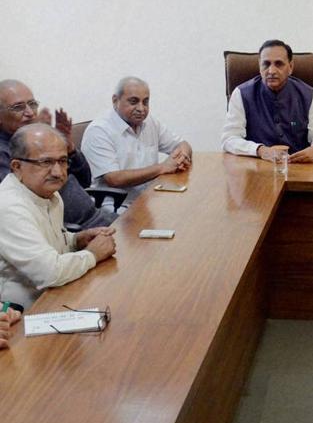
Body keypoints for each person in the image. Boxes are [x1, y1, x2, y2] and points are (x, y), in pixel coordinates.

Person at [0, 124, 116, 310]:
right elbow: (49, 272)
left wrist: (76, 240)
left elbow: (47, 242)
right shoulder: (9, 207)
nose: (58, 172)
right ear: (17, 167)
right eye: (45, 162)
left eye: (62, 161)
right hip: (21, 313)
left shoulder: (48, 193)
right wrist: (93, 254)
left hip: (58, 294)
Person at [0, 80, 116, 229]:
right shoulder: (4, 152)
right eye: (18, 107)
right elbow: (22, 200)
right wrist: (37, 141)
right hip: (77, 230)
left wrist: (69, 148)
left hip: (96, 215)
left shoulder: (46, 140)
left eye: (33, 104)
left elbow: (85, 180)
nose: (29, 113)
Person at [81, 76, 192, 213]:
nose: (141, 108)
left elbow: (182, 144)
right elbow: (114, 179)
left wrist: (181, 157)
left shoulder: (150, 122)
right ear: (115, 101)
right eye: (134, 101)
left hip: (150, 198)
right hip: (117, 206)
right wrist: (162, 167)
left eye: (145, 102)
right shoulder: (99, 131)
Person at [221, 39, 313, 163]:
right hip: (256, 169)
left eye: (279, 64)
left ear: (290, 67)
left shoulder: (310, 95)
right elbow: (229, 138)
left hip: (298, 168)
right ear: (259, 66)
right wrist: (260, 150)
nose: (271, 71)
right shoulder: (242, 94)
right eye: (266, 64)